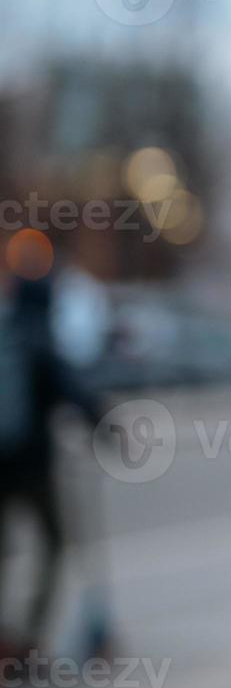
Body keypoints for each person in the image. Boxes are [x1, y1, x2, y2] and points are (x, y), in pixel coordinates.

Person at [0, 272, 106, 655]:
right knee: (54, 543)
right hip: (32, 468)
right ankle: (26, 639)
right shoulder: (37, 338)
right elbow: (73, 390)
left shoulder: (10, 333)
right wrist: (105, 427)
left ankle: (5, 637)